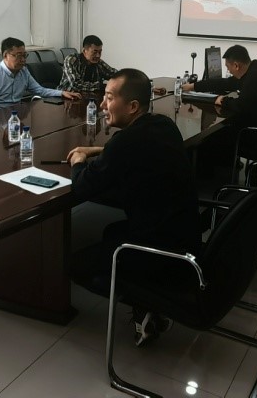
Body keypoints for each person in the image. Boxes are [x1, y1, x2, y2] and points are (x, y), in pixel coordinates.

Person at [66, 68, 201, 347]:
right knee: (111, 231)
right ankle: (147, 304)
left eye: (108, 97)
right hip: (186, 238)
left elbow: (82, 187)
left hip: (158, 250)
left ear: (132, 106)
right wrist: (99, 150)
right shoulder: (163, 125)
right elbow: (127, 150)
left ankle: (148, 301)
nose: (102, 105)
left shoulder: (126, 143)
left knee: (74, 265)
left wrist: (78, 160)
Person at [182, 44, 257, 129]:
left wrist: (223, 100)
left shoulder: (255, 77)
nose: (228, 71)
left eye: (228, 67)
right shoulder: (254, 69)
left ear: (236, 66)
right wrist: (193, 86)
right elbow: (224, 83)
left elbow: (240, 106)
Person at [0, 37, 80, 112]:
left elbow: (39, 90)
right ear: (6, 55)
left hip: (17, 116)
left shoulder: (23, 71)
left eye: (25, 55)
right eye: (19, 56)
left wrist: (61, 93)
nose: (23, 60)